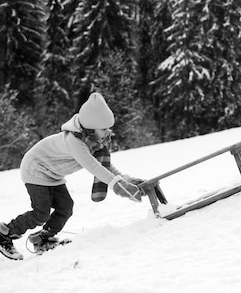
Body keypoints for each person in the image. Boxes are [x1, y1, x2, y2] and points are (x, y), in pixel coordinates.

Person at [0, 92, 144, 260]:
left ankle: (43, 239)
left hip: (52, 174)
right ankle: (5, 233)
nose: (108, 132)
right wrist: (118, 186)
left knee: (66, 207)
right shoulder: (74, 142)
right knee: (41, 213)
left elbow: (105, 166)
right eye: (104, 128)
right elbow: (94, 168)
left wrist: (126, 180)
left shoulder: (93, 142)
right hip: (35, 169)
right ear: (90, 128)